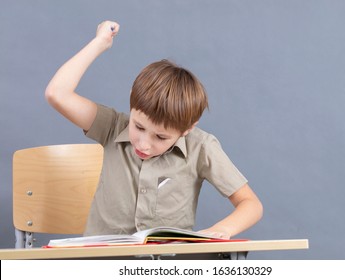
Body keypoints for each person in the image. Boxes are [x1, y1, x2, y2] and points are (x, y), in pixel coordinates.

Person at [45, 20, 263, 239]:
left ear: (187, 129)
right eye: (138, 126)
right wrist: (99, 43)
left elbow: (251, 204)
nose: (143, 143)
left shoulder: (201, 146)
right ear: (131, 101)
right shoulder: (111, 126)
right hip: (101, 264)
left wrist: (222, 230)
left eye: (161, 137)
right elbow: (57, 94)